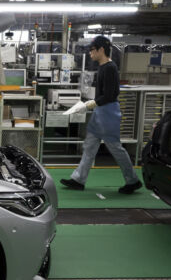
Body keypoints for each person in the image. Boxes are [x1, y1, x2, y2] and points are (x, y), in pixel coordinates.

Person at [60, 36, 142, 194]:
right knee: (89, 146)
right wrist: (91, 103)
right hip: (101, 112)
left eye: (92, 50)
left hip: (108, 113)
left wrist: (91, 103)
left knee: (116, 148)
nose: (90, 53)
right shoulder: (102, 67)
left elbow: (111, 95)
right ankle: (78, 179)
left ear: (101, 50)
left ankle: (133, 180)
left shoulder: (110, 68)